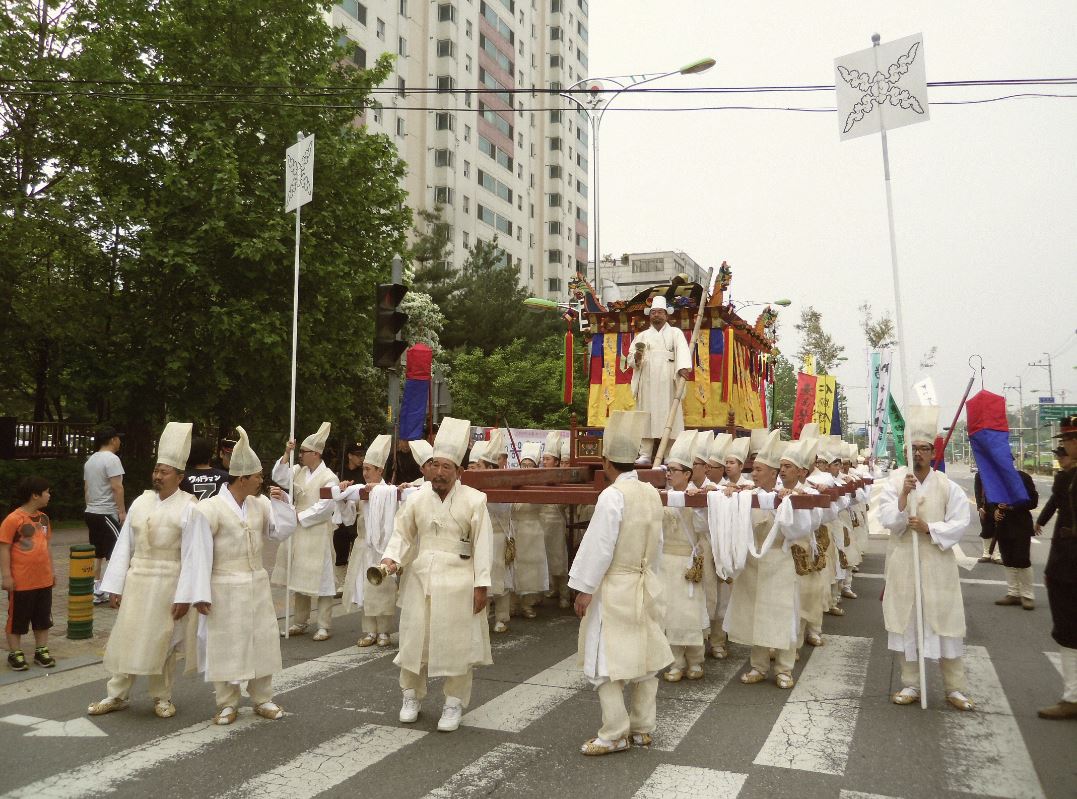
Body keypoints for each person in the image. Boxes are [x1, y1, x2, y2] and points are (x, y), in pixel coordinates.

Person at [379, 417, 493, 733]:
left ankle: (454, 702)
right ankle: (410, 696)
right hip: (421, 579)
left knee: (457, 645)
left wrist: (482, 584)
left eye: (447, 467)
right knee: (415, 638)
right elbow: (402, 534)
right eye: (435, 465)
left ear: (458, 471)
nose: (440, 472)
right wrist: (391, 559)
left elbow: (483, 544)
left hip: (460, 581)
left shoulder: (475, 500)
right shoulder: (416, 499)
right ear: (427, 468)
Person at [177, 427, 298, 724]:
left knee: (262, 639)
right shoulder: (209, 509)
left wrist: (282, 503)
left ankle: (262, 697)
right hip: (223, 584)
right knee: (225, 641)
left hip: (256, 581)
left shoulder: (261, 505)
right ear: (242, 478)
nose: (261, 480)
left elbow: (282, 531)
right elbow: (198, 553)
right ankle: (227, 701)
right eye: (257, 476)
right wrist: (199, 592)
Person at [569, 410, 671, 755]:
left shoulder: (613, 496)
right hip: (642, 581)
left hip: (613, 586)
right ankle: (643, 727)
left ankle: (614, 733)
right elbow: (657, 546)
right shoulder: (652, 493)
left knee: (603, 663)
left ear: (606, 461)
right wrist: (650, 575)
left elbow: (599, 547)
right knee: (643, 659)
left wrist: (584, 589)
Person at [88, 423, 197, 718]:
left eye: (165, 471)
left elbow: (192, 555)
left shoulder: (190, 507)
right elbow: (125, 545)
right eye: (156, 470)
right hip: (138, 579)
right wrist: (115, 585)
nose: (158, 476)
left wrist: (186, 594)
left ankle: (162, 696)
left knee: (162, 641)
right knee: (129, 635)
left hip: (169, 582)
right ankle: (117, 694)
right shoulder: (141, 501)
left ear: (180, 476)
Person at [879, 404, 974, 711]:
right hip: (904, 563)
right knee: (907, 624)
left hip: (937, 566)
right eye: (913, 448)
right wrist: (904, 498)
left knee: (945, 623)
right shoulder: (895, 482)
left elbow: (960, 523)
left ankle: (955, 687)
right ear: (906, 452)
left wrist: (929, 528)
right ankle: (910, 683)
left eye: (924, 449)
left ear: (933, 453)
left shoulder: (948, 486)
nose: (918, 454)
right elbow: (887, 520)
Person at [725, 432, 812, 689]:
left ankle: (785, 668)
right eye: (754, 469)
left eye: (759, 470)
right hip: (753, 561)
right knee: (756, 613)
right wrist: (731, 495)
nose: (754, 474)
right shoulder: (746, 494)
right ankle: (758, 666)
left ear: (773, 473)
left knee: (783, 614)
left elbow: (800, 530)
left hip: (780, 558)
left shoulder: (787, 496)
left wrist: (781, 506)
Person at [271, 422, 339, 642]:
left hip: (317, 529)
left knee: (323, 578)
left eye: (303, 452)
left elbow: (326, 506)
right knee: (298, 574)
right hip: (298, 529)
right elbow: (279, 477)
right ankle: (300, 620)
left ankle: (324, 624)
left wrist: (299, 516)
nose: (300, 455)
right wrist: (286, 452)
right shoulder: (298, 471)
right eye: (299, 452)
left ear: (316, 454)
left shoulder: (329, 477)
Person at [340, 435, 399, 647]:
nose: (365, 473)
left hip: (382, 547)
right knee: (364, 588)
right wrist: (344, 495)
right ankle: (369, 631)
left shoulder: (389, 492)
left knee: (382, 589)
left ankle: (384, 631)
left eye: (369, 469)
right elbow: (347, 518)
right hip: (363, 544)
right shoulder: (359, 491)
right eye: (363, 468)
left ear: (380, 471)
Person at [660, 431, 709, 682]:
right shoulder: (662, 496)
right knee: (669, 613)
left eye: (674, 470)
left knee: (690, 612)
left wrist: (698, 504)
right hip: (666, 560)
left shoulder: (697, 495)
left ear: (688, 474)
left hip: (688, 562)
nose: (669, 474)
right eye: (667, 470)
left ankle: (696, 660)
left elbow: (702, 528)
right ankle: (675, 661)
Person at [1038, 419, 1077, 720]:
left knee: (1068, 630)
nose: (1064, 446)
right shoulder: (1069, 477)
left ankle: (1073, 698)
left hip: (1070, 566)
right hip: (1065, 564)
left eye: (1070, 440)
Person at [624, 296, 691, 462]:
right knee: (646, 414)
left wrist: (683, 367)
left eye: (659, 312)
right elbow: (631, 359)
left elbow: (683, 351)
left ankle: (669, 454)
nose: (656, 315)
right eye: (653, 313)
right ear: (649, 316)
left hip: (668, 379)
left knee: (671, 416)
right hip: (647, 379)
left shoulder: (675, 333)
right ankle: (645, 453)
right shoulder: (642, 336)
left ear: (666, 315)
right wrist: (637, 357)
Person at [2, 476, 57, 671]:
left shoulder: (44, 518)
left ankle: (41, 649)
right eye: (47, 492)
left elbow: (47, 546)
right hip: (21, 581)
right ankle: (15, 652)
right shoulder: (13, 519)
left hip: (42, 579)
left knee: (43, 617)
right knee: (17, 617)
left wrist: (52, 570)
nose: (49, 495)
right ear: (35, 495)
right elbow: (4, 548)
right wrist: (6, 576)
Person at [989, 457, 1039, 610]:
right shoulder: (995, 480)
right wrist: (995, 511)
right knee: (1008, 559)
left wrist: (1011, 506)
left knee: (1022, 560)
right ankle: (1013, 594)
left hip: (1021, 525)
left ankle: (1027, 595)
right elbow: (989, 502)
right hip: (1003, 526)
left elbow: (1033, 502)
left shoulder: (1023, 478)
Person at [84, 426, 125, 605]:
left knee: (97, 552)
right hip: (106, 512)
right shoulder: (112, 459)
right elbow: (117, 487)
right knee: (116, 551)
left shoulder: (90, 460)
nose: (120, 442)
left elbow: (86, 488)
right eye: (118, 438)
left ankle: (96, 589)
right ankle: (111, 590)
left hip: (91, 511)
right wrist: (122, 511)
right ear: (112, 440)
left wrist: (90, 506)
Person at [478, 429, 514, 633]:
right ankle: (483, 614)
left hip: (498, 536)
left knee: (500, 577)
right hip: (482, 538)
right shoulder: (475, 486)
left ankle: (501, 617)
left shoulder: (504, 485)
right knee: (483, 577)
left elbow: (505, 509)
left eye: (481, 466)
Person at [511, 442, 550, 619]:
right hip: (516, 528)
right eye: (523, 465)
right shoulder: (512, 483)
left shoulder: (540, 484)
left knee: (531, 568)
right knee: (514, 566)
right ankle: (512, 603)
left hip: (532, 528)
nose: (525, 468)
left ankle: (528, 603)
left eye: (529, 465)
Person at [333, 443, 365, 588]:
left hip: (357, 514)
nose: (361, 458)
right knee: (340, 547)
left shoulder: (363, 473)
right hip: (341, 514)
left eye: (362, 455)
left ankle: (354, 582)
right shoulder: (339, 471)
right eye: (357, 455)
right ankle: (342, 582)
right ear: (349, 456)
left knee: (356, 548)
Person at [180, 437, 230, 501]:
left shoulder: (181, 478)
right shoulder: (226, 476)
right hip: (217, 511)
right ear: (210, 453)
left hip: (192, 511)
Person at [974, 470, 1004, 564]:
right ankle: (986, 554)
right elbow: (977, 491)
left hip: (999, 505)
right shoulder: (980, 474)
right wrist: (979, 506)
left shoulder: (1000, 472)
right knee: (986, 529)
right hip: (985, 506)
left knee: (998, 530)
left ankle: (997, 555)